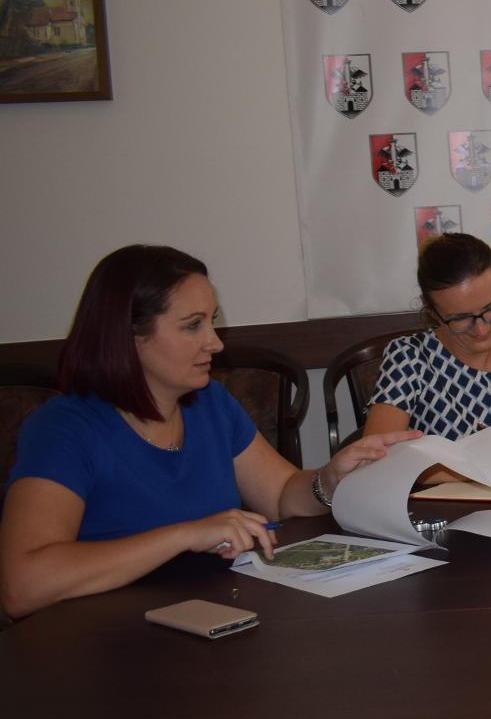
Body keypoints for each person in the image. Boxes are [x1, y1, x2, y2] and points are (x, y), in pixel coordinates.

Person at [1, 246, 416, 619]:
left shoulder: (209, 403)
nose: (215, 343)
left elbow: (278, 495)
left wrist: (329, 478)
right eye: (192, 325)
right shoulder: (64, 428)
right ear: (130, 337)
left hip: (208, 620)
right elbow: (21, 586)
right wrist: (185, 534)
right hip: (104, 644)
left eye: (211, 322)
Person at [362, 233, 491, 455]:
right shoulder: (409, 359)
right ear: (432, 311)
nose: (481, 329)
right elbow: (378, 458)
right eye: (460, 318)